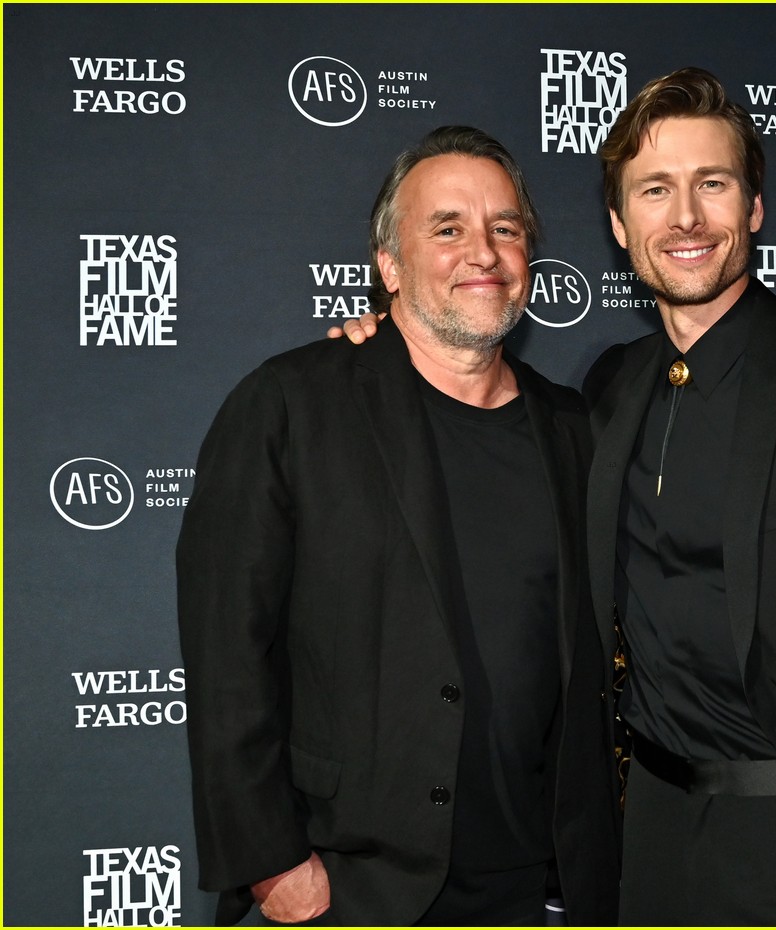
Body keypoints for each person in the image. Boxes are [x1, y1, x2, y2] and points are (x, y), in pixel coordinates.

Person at [340, 69, 776, 926]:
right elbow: (472, 396)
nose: (685, 217)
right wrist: (382, 344)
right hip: (644, 840)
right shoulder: (610, 387)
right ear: (620, 226)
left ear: (753, 206)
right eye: (655, 190)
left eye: (711, 184)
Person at [177, 126, 619, 927]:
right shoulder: (291, 406)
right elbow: (224, 654)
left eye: (506, 228)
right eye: (446, 228)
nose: (482, 250)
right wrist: (271, 861)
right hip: (351, 889)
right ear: (389, 265)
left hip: (535, 890)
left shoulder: (574, 429)